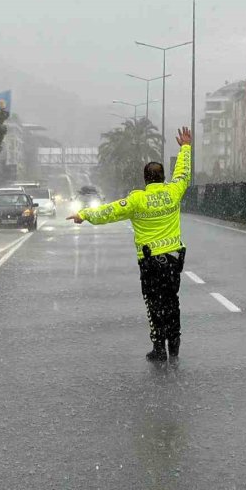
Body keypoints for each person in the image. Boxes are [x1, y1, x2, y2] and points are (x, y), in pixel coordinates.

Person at [67, 127, 193, 364]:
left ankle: (158, 348)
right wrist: (185, 147)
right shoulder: (173, 192)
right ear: (163, 178)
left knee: (154, 304)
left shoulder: (137, 199)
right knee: (172, 301)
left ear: (146, 179)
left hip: (150, 263)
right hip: (174, 260)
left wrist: (84, 215)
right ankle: (174, 345)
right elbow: (183, 174)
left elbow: (110, 211)